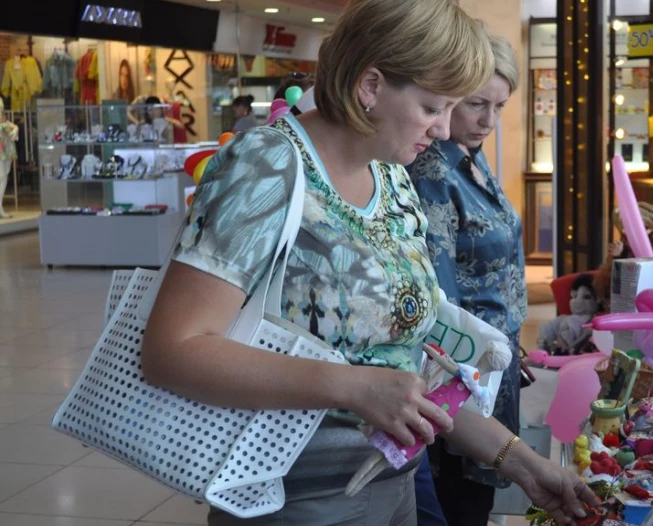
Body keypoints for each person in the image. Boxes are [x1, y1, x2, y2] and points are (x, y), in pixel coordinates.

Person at [140, 1, 597, 525]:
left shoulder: (392, 175)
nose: (446, 130)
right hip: (293, 498)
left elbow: (403, 362)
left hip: (392, 484)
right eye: (432, 108)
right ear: (371, 86)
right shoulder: (265, 166)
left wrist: (518, 460)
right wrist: (352, 386)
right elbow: (172, 351)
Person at [407, 32, 528, 526]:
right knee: (463, 505)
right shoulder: (433, 168)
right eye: (477, 104)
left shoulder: (469, 160)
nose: (489, 121)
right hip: (464, 376)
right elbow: (442, 304)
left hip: (494, 363)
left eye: (499, 106)